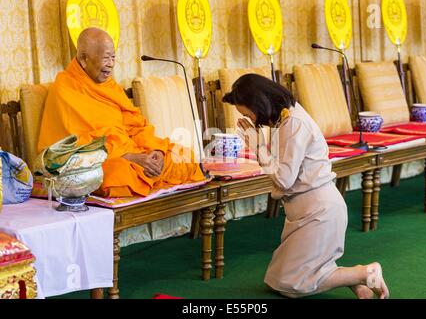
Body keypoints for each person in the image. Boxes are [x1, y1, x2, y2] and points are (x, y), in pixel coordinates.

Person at [222, 73, 389, 299]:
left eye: (246, 113)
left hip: (320, 213)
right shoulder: (284, 118)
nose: (249, 120)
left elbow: (284, 179)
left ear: (258, 103)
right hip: (306, 213)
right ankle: (356, 280)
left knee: (291, 285)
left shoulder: (294, 123)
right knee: (276, 280)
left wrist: (258, 146)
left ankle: (365, 273)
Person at [38, 27, 205, 197]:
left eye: (113, 57)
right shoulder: (65, 89)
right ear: (83, 58)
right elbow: (72, 149)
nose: (111, 64)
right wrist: (129, 157)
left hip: (136, 152)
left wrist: (156, 151)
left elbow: (136, 126)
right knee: (113, 175)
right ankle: (150, 176)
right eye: (105, 58)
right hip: (108, 160)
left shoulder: (110, 87)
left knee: (183, 155)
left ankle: (152, 173)